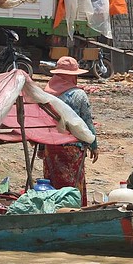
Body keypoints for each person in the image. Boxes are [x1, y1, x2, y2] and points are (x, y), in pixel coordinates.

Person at [40, 56, 99, 206]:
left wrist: (40, 146)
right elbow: (87, 122)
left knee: (52, 182)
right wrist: (94, 145)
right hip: (72, 148)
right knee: (73, 183)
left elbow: (42, 122)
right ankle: (74, 210)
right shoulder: (78, 95)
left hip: (50, 147)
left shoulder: (46, 94)